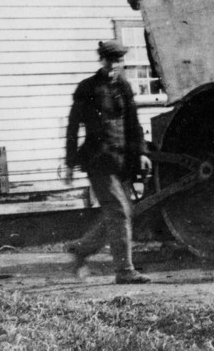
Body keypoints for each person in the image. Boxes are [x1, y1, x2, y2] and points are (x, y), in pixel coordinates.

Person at [64, 39, 153, 284]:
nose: (114, 65)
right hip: (97, 159)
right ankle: (124, 271)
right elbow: (73, 128)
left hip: (121, 159)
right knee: (119, 211)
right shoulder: (87, 88)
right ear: (102, 60)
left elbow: (133, 123)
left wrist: (142, 153)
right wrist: (70, 162)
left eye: (118, 60)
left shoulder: (123, 86)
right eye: (109, 60)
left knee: (120, 212)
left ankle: (82, 249)